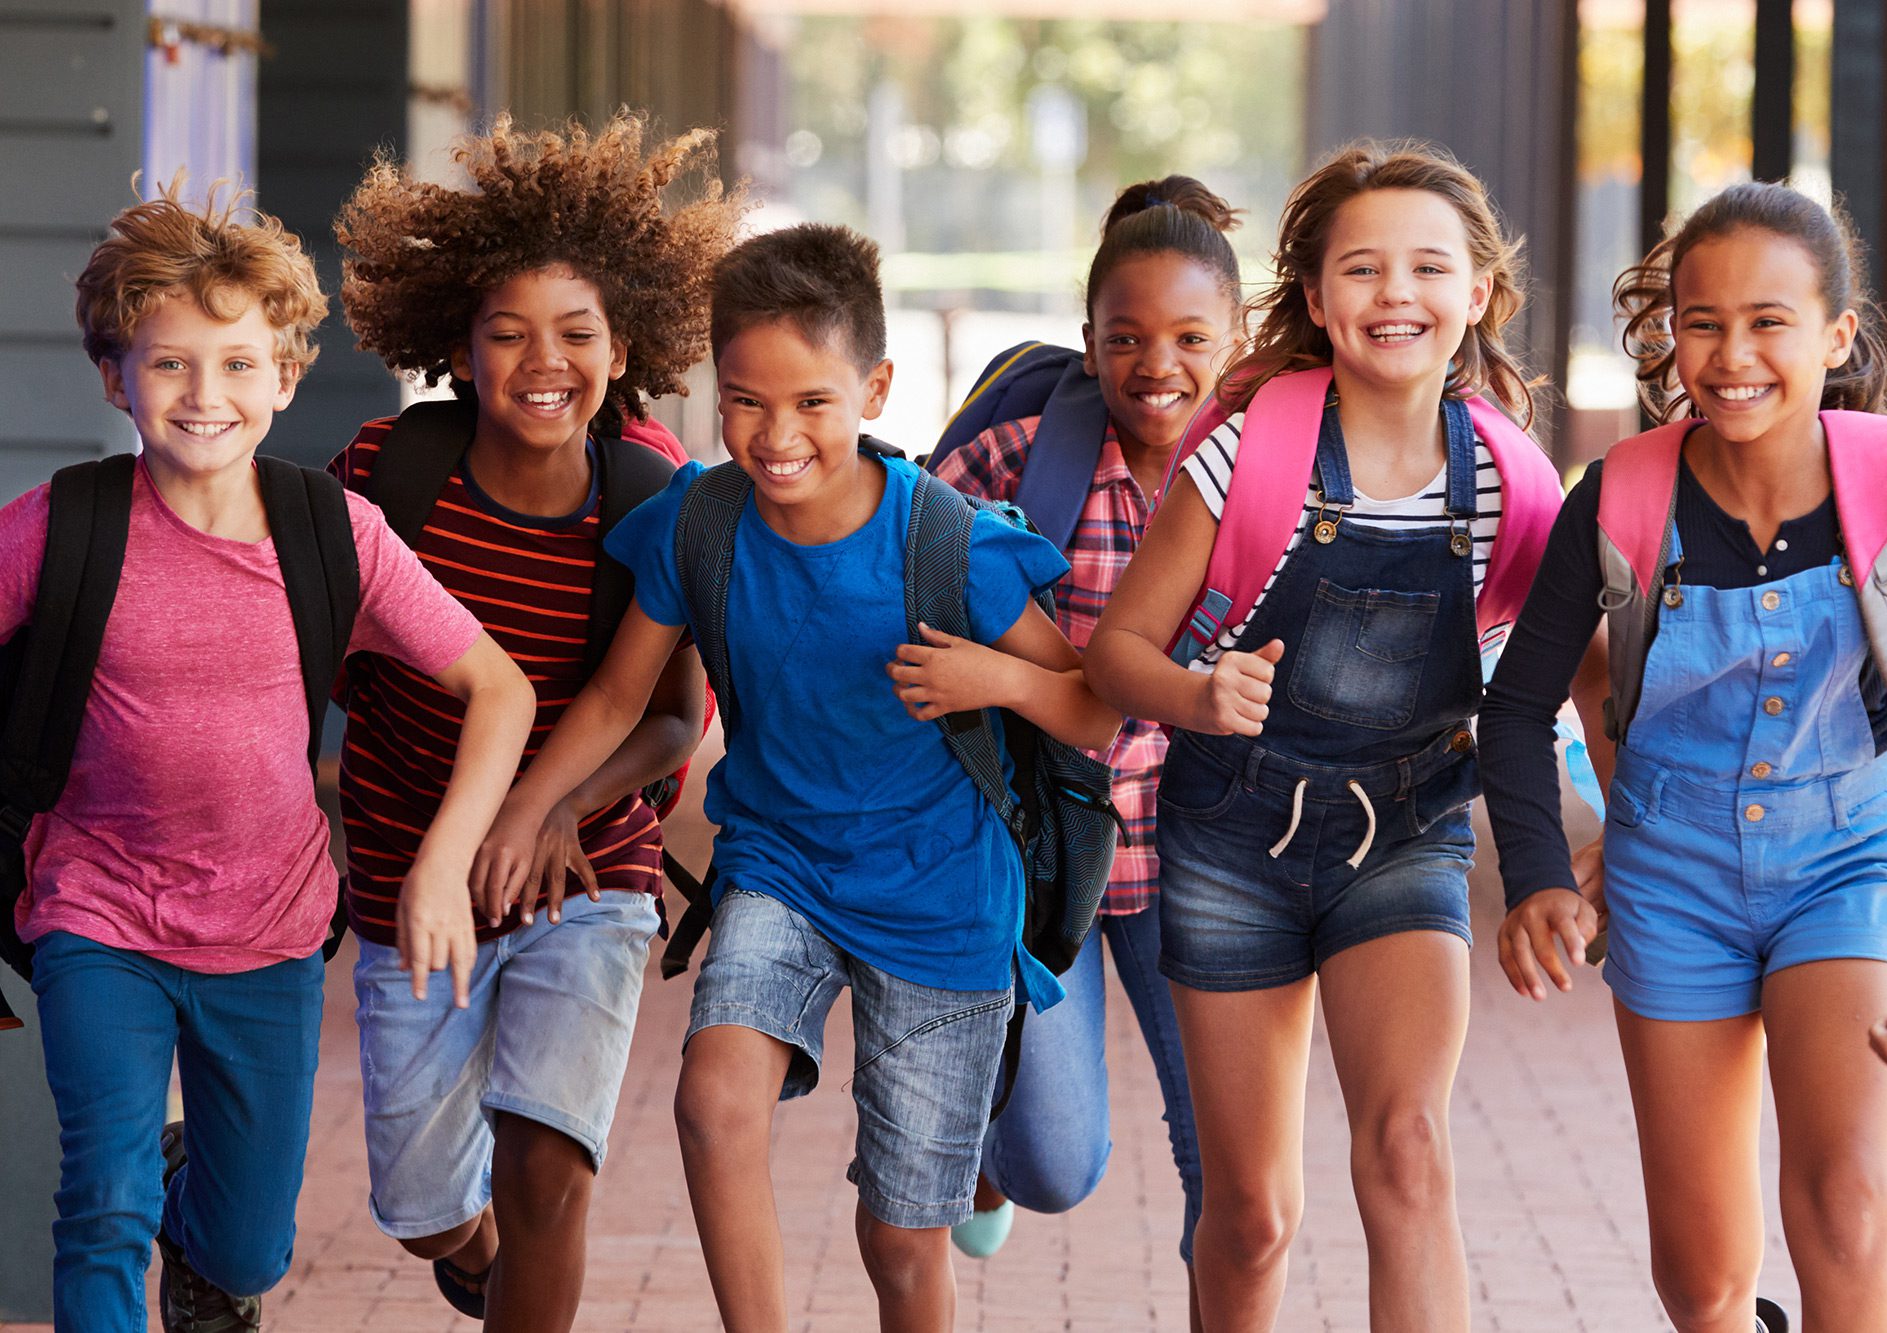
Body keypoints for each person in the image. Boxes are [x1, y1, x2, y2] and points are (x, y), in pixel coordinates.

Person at [474, 222, 1121, 1332]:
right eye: (744, 401)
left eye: (812, 402)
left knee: (902, 1243)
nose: (775, 436)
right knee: (712, 1101)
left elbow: (1090, 706)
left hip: (940, 899)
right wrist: (531, 808)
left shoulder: (948, 542)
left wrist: (992, 678)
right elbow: (620, 698)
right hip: (780, 867)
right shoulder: (701, 522)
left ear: (872, 385)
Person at [15, 181, 532, 1333]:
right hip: (96, 913)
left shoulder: (328, 530)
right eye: (170, 365)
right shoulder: (65, 524)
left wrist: (447, 861)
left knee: (251, 1242)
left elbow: (496, 688)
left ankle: (204, 1230)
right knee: (101, 1201)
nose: (206, 396)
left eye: (239, 364)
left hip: (272, 928)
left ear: (286, 376)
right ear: (114, 377)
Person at [1483, 180, 1887, 1333]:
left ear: (1834, 334)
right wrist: (1533, 871)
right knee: (1703, 1279)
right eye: (1700, 321)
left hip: (1845, 862)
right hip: (1670, 879)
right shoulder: (1620, 496)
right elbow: (1515, 709)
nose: (1730, 356)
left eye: (1768, 322)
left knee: (1846, 1209)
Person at [1084, 143, 1575, 1331]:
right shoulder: (1240, 451)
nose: (1393, 293)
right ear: (1315, 299)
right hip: (1227, 838)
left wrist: (1571, 862)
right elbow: (1114, 653)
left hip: (1404, 834)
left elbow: (1564, 687)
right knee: (1249, 1215)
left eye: (1426, 267)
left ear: (1475, 296)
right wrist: (1195, 698)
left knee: (1407, 1150)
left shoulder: (1513, 484)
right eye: (1361, 268)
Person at [330, 112, 738, 1329]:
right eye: (508, 334)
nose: (542, 360)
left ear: (624, 348)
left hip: (590, 864)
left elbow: (674, 719)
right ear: (460, 348)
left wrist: (559, 805)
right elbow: (329, 665)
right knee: (420, 1202)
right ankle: (473, 1247)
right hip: (414, 867)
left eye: (576, 333)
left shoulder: (648, 499)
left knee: (549, 1159)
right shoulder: (388, 476)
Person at [930, 175, 1239, 1317]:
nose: (1156, 364)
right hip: (1036, 853)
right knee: (1059, 1167)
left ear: (1237, 341)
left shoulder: (1275, 477)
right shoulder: (1017, 463)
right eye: (1126, 337)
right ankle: (992, 1153)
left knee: (1229, 1160)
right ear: (1089, 341)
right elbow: (890, 580)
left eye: (1190, 337)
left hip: (1203, 856)